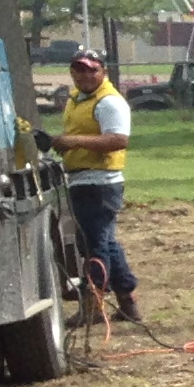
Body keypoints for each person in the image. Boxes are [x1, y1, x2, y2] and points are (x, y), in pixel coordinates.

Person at [50, 45, 140, 322]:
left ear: (104, 71)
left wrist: (73, 142)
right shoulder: (77, 98)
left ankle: (93, 305)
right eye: (78, 69)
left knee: (93, 244)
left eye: (91, 70)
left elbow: (118, 140)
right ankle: (128, 301)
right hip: (82, 179)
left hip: (100, 183)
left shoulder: (109, 102)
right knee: (106, 242)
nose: (84, 75)